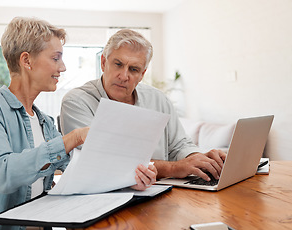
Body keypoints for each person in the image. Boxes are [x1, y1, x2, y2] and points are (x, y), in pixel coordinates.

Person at [0, 18, 156, 230]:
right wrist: (72, 138)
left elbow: (82, 173)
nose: (62, 67)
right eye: (56, 58)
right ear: (27, 60)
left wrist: (129, 178)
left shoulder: (44, 122)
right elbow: (3, 174)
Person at [60, 29, 226, 183]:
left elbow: (180, 146)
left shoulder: (158, 99)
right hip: (104, 198)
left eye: (133, 69)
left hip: (161, 194)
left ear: (142, 74)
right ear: (103, 63)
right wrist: (174, 168)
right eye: (118, 64)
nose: (124, 76)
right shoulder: (76, 101)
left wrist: (199, 160)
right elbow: (104, 163)